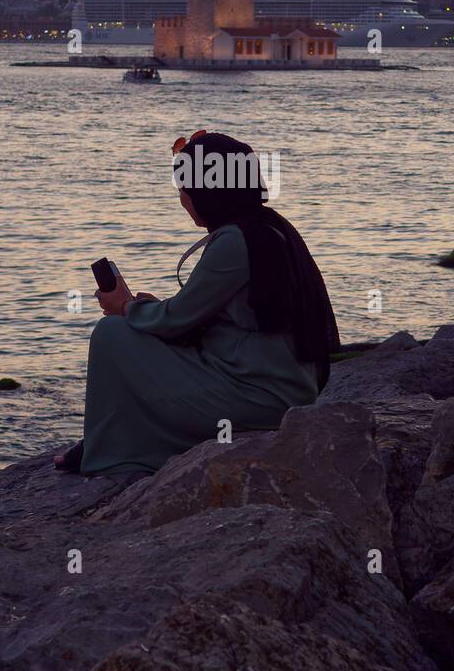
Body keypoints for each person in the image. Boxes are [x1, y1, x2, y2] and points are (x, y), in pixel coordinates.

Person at [54, 130, 340, 476]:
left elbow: (175, 320)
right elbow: (207, 314)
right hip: (287, 389)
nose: (182, 199)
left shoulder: (234, 241)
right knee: (134, 332)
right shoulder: (272, 227)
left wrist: (125, 306)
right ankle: (111, 442)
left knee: (111, 334)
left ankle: (107, 451)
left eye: (184, 189)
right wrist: (145, 309)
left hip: (259, 399)